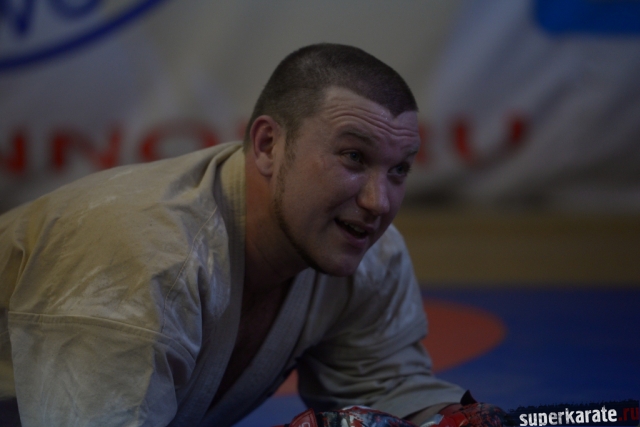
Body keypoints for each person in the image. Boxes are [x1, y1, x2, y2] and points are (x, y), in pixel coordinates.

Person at [0, 44, 503, 427]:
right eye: (353, 157)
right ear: (267, 145)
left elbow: (384, 393)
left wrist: (446, 421)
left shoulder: (369, 255)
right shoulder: (143, 256)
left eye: (399, 170)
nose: (379, 202)